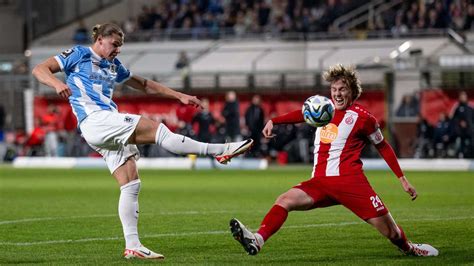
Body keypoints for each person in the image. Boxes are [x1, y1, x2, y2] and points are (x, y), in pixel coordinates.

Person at [31, 22, 253, 260]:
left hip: (104, 124)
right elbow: (40, 69)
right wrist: (56, 83)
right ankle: (220, 150)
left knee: (131, 183)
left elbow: (145, 84)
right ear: (100, 40)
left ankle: (133, 246)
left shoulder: (114, 65)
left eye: (120, 46)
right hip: (95, 120)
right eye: (114, 45)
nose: (117, 50)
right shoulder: (79, 53)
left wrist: (180, 96)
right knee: (158, 130)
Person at [229, 64, 438, 257]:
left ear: (352, 92)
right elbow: (303, 114)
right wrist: (274, 121)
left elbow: (382, 145)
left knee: (391, 233)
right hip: (320, 181)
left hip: (350, 183)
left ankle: (410, 248)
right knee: (284, 200)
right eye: (334, 89)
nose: (337, 94)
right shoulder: (325, 109)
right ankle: (257, 240)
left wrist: (401, 178)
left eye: (342, 89)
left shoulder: (363, 118)